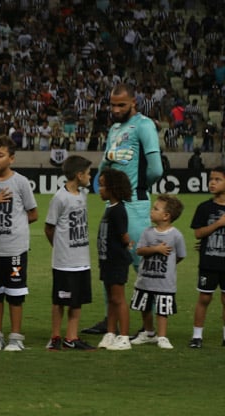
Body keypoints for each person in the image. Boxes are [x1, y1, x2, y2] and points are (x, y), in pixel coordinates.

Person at [84, 84, 163, 335]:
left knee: (141, 266)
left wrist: (137, 189)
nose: (116, 110)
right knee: (111, 265)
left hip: (136, 207)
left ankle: (149, 326)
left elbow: (156, 169)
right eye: (113, 105)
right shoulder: (114, 129)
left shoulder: (144, 125)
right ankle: (111, 322)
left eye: (121, 105)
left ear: (134, 103)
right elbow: (107, 161)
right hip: (113, 205)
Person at [0, 135, 39, 351]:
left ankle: (15, 337)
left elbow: (33, 214)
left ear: (11, 159)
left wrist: (16, 227)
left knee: (15, 295)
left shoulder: (20, 182)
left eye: (0, 155)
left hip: (14, 249)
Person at [44, 155, 95, 351]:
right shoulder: (59, 198)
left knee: (77, 300)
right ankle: (56, 336)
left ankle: (71, 338)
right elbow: (49, 228)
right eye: (88, 173)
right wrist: (58, 247)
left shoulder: (83, 195)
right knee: (60, 300)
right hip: (64, 261)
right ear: (79, 175)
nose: (90, 177)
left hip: (82, 259)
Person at [130, 195, 186, 350]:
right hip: (145, 280)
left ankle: (162, 337)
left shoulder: (176, 235)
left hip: (164, 282)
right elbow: (140, 250)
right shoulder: (147, 232)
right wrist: (156, 249)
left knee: (162, 310)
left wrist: (169, 266)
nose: (151, 211)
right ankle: (148, 333)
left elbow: (180, 255)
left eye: (155, 208)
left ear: (166, 216)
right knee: (145, 307)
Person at [96, 169, 133, 351]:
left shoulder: (118, 210)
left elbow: (123, 234)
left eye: (102, 185)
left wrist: (128, 243)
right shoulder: (109, 209)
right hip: (107, 261)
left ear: (112, 188)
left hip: (116, 261)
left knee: (118, 299)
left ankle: (124, 336)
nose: (99, 189)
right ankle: (110, 333)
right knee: (111, 299)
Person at [188, 167, 225, 348]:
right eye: (211, 179)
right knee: (204, 298)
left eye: (217, 179)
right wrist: (218, 224)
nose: (212, 182)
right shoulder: (204, 207)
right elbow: (198, 233)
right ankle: (197, 336)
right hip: (209, 262)